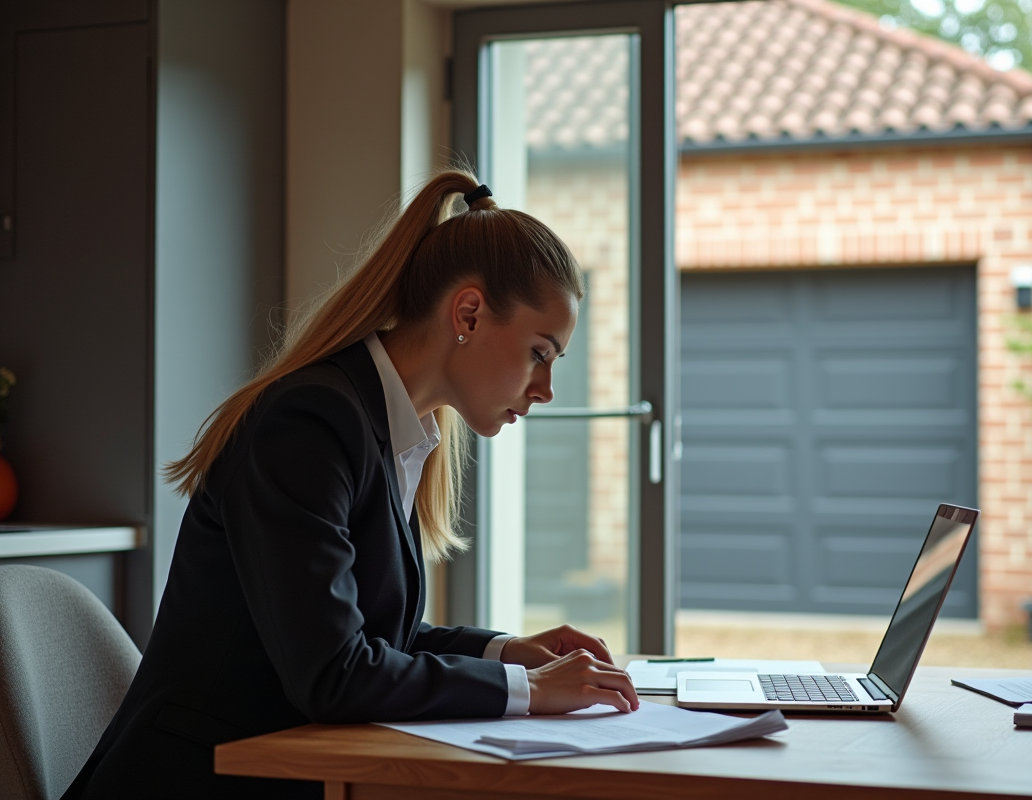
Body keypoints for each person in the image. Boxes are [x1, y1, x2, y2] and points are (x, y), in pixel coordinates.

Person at [66, 171, 640, 800]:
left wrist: (507, 653)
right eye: (540, 352)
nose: (546, 389)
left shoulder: (392, 430)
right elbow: (334, 674)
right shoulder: (308, 423)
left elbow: (368, 637)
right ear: (469, 313)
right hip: (195, 780)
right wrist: (530, 691)